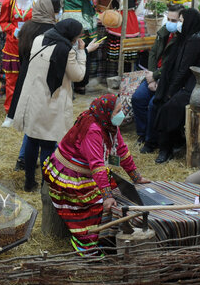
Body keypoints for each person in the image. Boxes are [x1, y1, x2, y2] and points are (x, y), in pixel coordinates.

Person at [43, 94, 149, 253]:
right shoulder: (93, 129)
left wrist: (137, 177)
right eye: (117, 111)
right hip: (69, 174)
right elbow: (97, 165)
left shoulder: (108, 124)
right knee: (94, 203)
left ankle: (106, 235)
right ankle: (86, 243)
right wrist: (106, 196)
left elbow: (120, 150)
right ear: (107, 112)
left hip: (88, 171)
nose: (122, 115)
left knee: (117, 191)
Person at [14, 19, 101, 191]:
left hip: (33, 97)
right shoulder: (65, 49)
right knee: (47, 143)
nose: (77, 40)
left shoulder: (39, 39)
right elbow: (78, 75)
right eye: (77, 37)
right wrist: (83, 52)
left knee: (31, 139)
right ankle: (47, 187)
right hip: (50, 101)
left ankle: (29, 181)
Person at [152, 8, 200, 164]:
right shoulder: (194, 36)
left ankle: (165, 149)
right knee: (164, 103)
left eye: (181, 21)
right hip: (194, 83)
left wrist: (171, 92)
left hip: (199, 86)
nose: (179, 24)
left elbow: (183, 70)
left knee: (168, 107)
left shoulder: (197, 40)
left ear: (189, 22)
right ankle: (172, 143)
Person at [6, 0, 60, 170]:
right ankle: (44, 163)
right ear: (52, 11)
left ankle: (23, 160)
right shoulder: (53, 31)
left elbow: (22, 54)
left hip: (26, 76)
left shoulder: (27, 27)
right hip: (45, 79)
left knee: (32, 121)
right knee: (44, 124)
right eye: (57, 11)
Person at [133, 5, 182, 153]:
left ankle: (151, 140)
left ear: (181, 20)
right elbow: (153, 53)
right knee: (138, 98)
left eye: (174, 20)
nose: (170, 22)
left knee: (153, 103)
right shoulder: (164, 32)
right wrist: (151, 76)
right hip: (153, 76)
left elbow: (172, 65)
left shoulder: (182, 38)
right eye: (169, 19)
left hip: (167, 78)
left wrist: (155, 76)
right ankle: (142, 133)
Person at [56, 0, 97, 94]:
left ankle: (67, 81)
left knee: (68, 50)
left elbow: (59, 0)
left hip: (69, 20)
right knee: (84, 51)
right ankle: (82, 84)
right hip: (85, 21)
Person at [0, 0, 38, 117]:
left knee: (31, 79)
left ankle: (28, 109)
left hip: (31, 46)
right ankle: (11, 111)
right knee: (11, 81)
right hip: (12, 47)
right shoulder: (9, 2)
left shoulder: (37, 2)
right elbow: (3, 22)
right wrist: (13, 29)